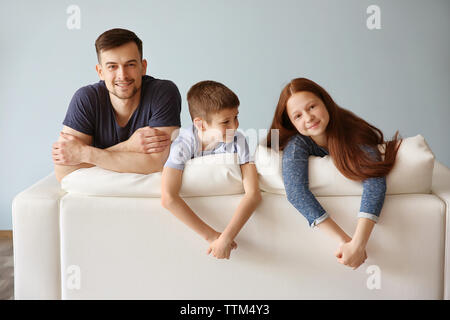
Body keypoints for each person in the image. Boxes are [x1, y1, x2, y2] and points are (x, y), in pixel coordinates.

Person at [267, 77, 402, 270]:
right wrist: (347, 242)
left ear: (325, 102)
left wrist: (360, 243)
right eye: (298, 116)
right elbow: (296, 192)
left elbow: (374, 180)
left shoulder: (352, 131)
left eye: (312, 107)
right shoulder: (297, 143)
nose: (308, 118)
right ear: (292, 123)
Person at [52, 28, 181, 182]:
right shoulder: (86, 98)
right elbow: (64, 171)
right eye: (112, 66)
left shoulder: (163, 93)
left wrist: (84, 154)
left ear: (143, 67)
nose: (122, 75)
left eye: (130, 64)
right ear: (100, 72)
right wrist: (128, 147)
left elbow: (159, 162)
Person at [161, 80, 262, 260]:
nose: (235, 126)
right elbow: (168, 198)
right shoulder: (183, 144)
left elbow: (253, 194)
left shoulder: (238, 141)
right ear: (200, 124)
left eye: (236, 117)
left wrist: (227, 237)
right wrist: (213, 237)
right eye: (226, 121)